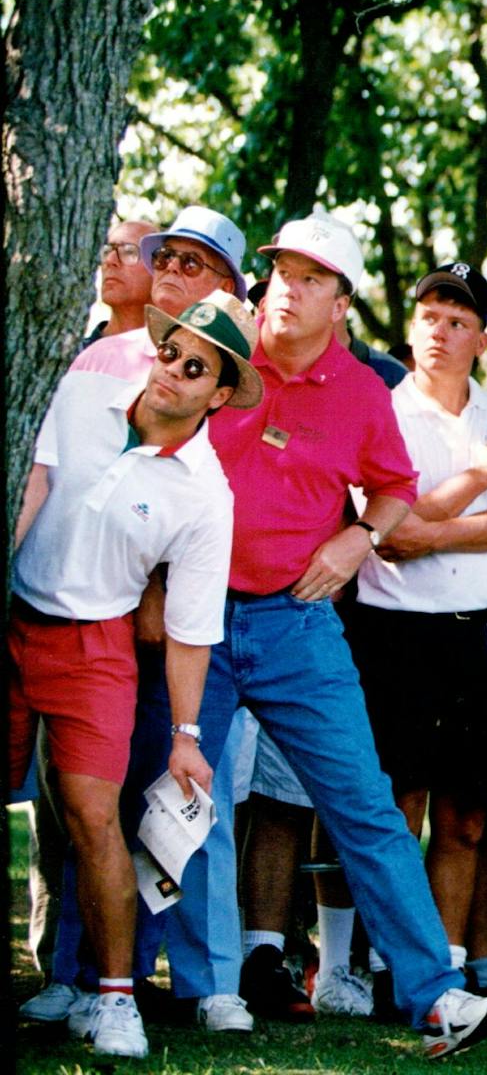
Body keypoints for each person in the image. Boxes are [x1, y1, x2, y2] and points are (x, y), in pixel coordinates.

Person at [148, 211, 487, 1058]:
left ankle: (435, 997)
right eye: (280, 274)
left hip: (294, 621)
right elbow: (152, 439)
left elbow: (390, 490)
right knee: (193, 803)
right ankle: (209, 991)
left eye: (311, 279)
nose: (287, 291)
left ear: (341, 302)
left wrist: (358, 538)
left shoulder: (359, 394)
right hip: (193, 617)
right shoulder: (220, 349)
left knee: (364, 805)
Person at [10, 290, 261, 1058]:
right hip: (14, 614)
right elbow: (31, 488)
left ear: (219, 395)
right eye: (169, 351)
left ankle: (115, 998)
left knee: (94, 820)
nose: (172, 372)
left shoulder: (205, 494)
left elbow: (189, 630)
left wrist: (187, 736)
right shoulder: (83, 389)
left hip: (96, 647)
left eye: (195, 368)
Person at [346, 261, 487, 1005]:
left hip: (483, 634)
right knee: (399, 805)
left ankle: (449, 964)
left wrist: (428, 529)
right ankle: (397, 965)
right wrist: (478, 479)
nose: (441, 330)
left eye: (458, 320)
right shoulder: (379, 411)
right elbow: (383, 527)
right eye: (430, 316)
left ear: (481, 338)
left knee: (466, 816)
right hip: (394, 631)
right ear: (411, 327)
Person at [73, 206, 249, 383]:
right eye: (165, 256)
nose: (172, 266)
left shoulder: (228, 382)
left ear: (225, 288)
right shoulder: (98, 357)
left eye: (191, 263)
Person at [81, 219, 161, 346]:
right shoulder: (75, 356)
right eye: (106, 252)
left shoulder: (174, 359)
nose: (110, 260)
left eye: (128, 252)